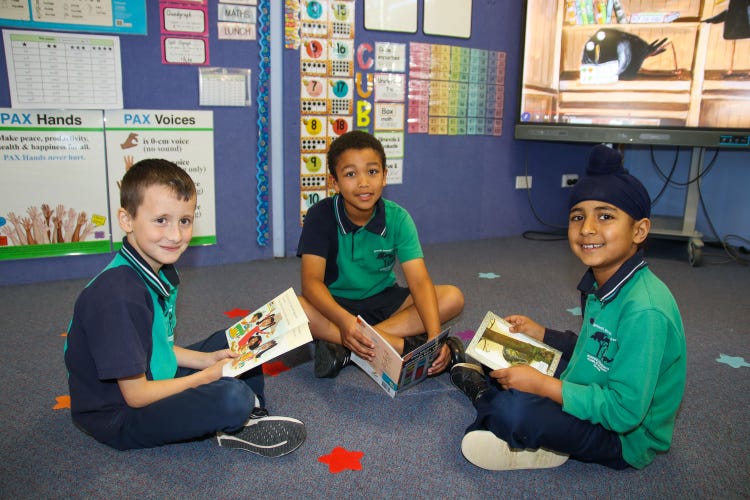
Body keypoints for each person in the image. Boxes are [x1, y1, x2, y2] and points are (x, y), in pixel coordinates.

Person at [451, 144, 686, 471]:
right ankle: (512, 405)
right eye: (578, 217)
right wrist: (541, 334)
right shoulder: (602, 280)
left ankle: (486, 399)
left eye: (605, 216)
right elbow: (597, 351)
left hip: (624, 437)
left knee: (515, 411)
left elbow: (624, 413)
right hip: (589, 383)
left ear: (639, 230)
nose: (588, 228)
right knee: (502, 351)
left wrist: (543, 386)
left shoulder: (645, 311)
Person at [64, 158, 305, 456]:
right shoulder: (119, 296)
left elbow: (155, 347)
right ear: (127, 220)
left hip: (151, 375)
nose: (175, 236)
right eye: (161, 220)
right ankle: (237, 417)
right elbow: (136, 396)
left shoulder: (156, 269)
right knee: (231, 397)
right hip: (119, 414)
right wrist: (206, 376)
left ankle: (247, 416)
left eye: (184, 221)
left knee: (235, 343)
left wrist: (208, 360)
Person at [297, 130, 465, 378]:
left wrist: (433, 338)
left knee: (452, 297)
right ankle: (400, 345)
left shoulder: (398, 217)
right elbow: (311, 283)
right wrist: (345, 322)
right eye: (351, 174)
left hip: (385, 301)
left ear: (385, 176)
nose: (363, 182)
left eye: (372, 172)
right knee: (293, 310)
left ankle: (349, 346)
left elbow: (419, 281)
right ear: (335, 183)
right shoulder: (319, 216)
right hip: (335, 306)